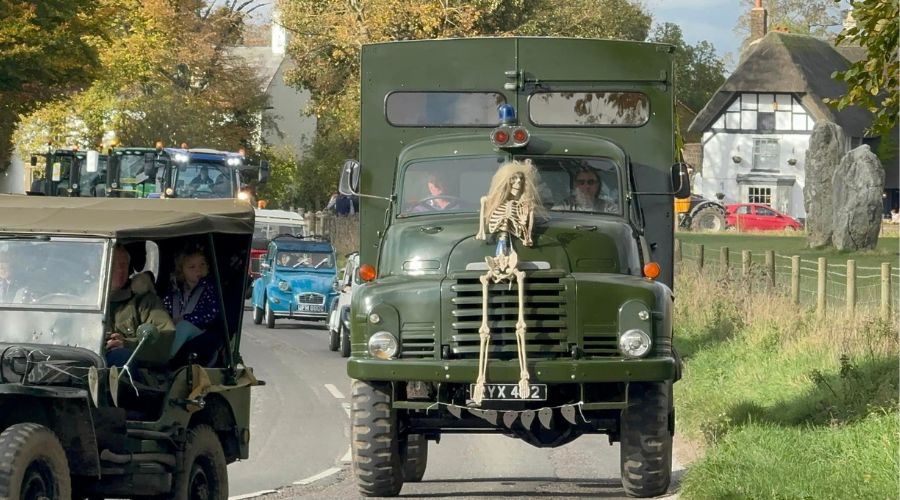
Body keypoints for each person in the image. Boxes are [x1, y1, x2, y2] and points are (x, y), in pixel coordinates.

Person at [105, 245, 176, 368]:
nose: (120, 270)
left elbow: (164, 339)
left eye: (124, 264)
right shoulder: (84, 301)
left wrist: (127, 344)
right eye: (113, 264)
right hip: (90, 366)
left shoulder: (145, 301)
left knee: (121, 357)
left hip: (137, 377)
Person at [163, 247, 221, 367]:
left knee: (184, 326)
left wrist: (186, 318)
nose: (198, 270)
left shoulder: (208, 288)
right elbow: (166, 309)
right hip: (175, 330)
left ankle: (164, 360)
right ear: (182, 270)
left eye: (202, 265)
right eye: (192, 267)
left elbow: (212, 313)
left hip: (200, 333)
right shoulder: (175, 291)